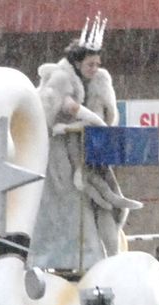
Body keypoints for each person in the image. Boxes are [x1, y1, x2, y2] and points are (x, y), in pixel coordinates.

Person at [29, 27, 132, 276]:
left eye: (98, 64)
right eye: (90, 63)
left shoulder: (100, 82)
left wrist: (79, 127)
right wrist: (70, 128)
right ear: (78, 61)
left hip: (91, 153)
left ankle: (108, 258)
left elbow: (100, 120)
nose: (95, 68)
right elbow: (54, 114)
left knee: (106, 203)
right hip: (60, 158)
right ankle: (75, 258)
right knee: (69, 205)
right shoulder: (60, 80)